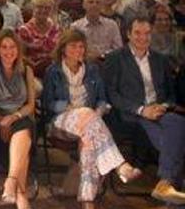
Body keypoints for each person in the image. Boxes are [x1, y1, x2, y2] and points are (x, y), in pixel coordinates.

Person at [41, 29, 142, 208]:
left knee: (89, 141)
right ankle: (120, 165)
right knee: (87, 115)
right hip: (60, 122)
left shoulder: (93, 70)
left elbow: (103, 100)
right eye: (73, 46)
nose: (78, 50)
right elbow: (48, 103)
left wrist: (98, 114)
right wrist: (73, 109)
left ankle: (87, 201)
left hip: (89, 124)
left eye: (81, 46)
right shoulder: (53, 71)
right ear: (63, 48)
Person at [103, 17, 185, 205]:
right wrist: (141, 110)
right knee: (176, 138)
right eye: (138, 33)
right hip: (131, 114)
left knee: (179, 123)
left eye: (147, 33)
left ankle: (166, 185)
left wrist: (162, 107)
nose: (143, 37)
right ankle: (169, 191)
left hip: (159, 112)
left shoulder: (160, 59)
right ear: (128, 34)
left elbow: (171, 95)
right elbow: (112, 94)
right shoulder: (115, 58)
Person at [0, 30, 35, 209]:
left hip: (20, 116)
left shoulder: (26, 69)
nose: (8, 51)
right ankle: (20, 194)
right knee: (23, 144)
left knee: (23, 129)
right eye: (4, 47)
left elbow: (31, 105)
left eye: (12, 47)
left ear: (18, 49)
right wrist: (1, 120)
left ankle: (11, 182)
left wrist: (12, 117)